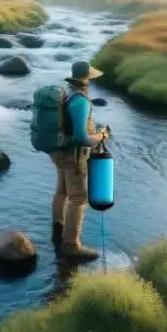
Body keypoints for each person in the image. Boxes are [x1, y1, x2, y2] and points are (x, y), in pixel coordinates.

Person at [51, 60, 109, 261]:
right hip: (73, 155)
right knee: (78, 198)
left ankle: (58, 226)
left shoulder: (66, 94)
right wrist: (100, 137)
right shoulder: (81, 101)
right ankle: (71, 245)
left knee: (62, 190)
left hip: (58, 151)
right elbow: (81, 138)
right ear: (86, 80)